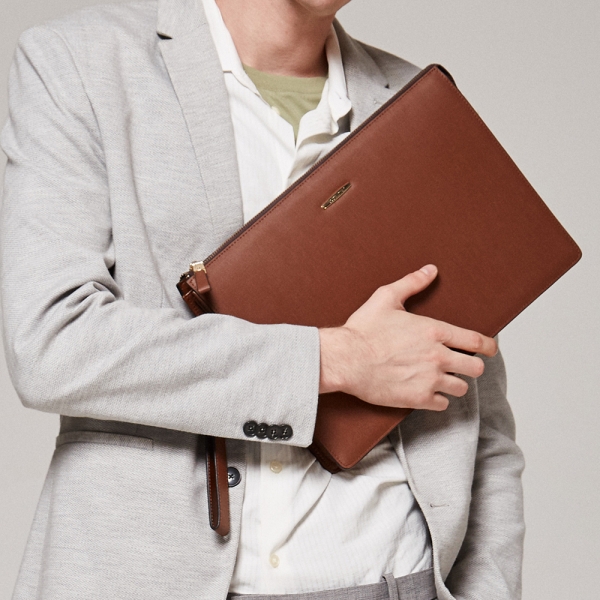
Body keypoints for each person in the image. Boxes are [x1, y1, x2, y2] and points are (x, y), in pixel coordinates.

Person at [0, 0, 525, 598]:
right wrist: (337, 360)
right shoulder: (81, 63)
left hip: (397, 579)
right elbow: (52, 342)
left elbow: (478, 409)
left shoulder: (415, 99)